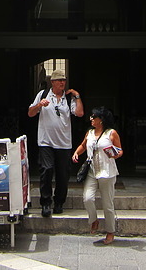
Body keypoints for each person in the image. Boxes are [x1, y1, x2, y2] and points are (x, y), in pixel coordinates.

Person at [28, 68, 84, 217]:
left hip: (64, 143)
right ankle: (45, 203)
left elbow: (79, 113)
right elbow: (30, 113)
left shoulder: (68, 98)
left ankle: (59, 202)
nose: (62, 83)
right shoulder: (43, 95)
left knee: (63, 174)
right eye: (59, 80)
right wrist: (39, 105)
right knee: (46, 170)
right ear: (52, 82)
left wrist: (77, 96)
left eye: (64, 80)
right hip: (46, 141)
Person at [72, 106, 123, 244]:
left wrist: (115, 155)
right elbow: (83, 145)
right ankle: (93, 219)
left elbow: (119, 150)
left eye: (94, 117)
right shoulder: (89, 133)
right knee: (87, 198)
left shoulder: (111, 133)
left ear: (101, 120)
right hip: (92, 171)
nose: (91, 119)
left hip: (107, 172)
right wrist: (77, 152)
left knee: (107, 203)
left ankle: (110, 231)